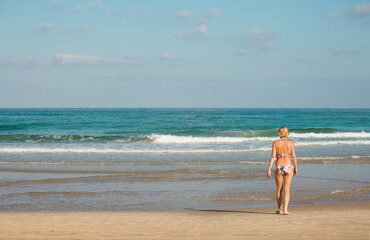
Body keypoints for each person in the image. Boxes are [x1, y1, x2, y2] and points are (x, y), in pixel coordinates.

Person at [267, 126, 298, 215]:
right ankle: (285, 210)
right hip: (288, 166)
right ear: (287, 133)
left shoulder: (275, 143)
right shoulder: (291, 143)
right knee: (287, 189)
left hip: (279, 166)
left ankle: (279, 209)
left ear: (279, 133)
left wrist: (269, 168)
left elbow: (273, 157)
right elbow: (294, 156)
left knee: (279, 189)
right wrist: (296, 167)